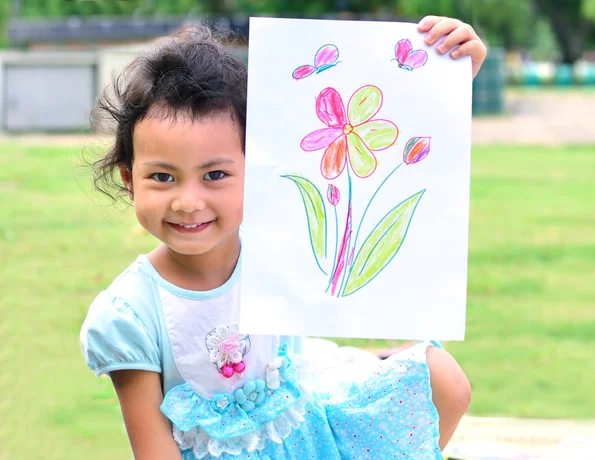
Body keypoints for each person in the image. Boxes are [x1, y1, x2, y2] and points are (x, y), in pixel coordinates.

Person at [80, 15, 486, 460]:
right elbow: (154, 452)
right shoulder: (130, 313)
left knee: (440, 378)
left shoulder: (277, 236)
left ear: (253, 173)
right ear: (128, 179)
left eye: (215, 174)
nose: (188, 201)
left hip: (312, 438)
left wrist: (451, 69)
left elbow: (394, 138)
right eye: (162, 177)